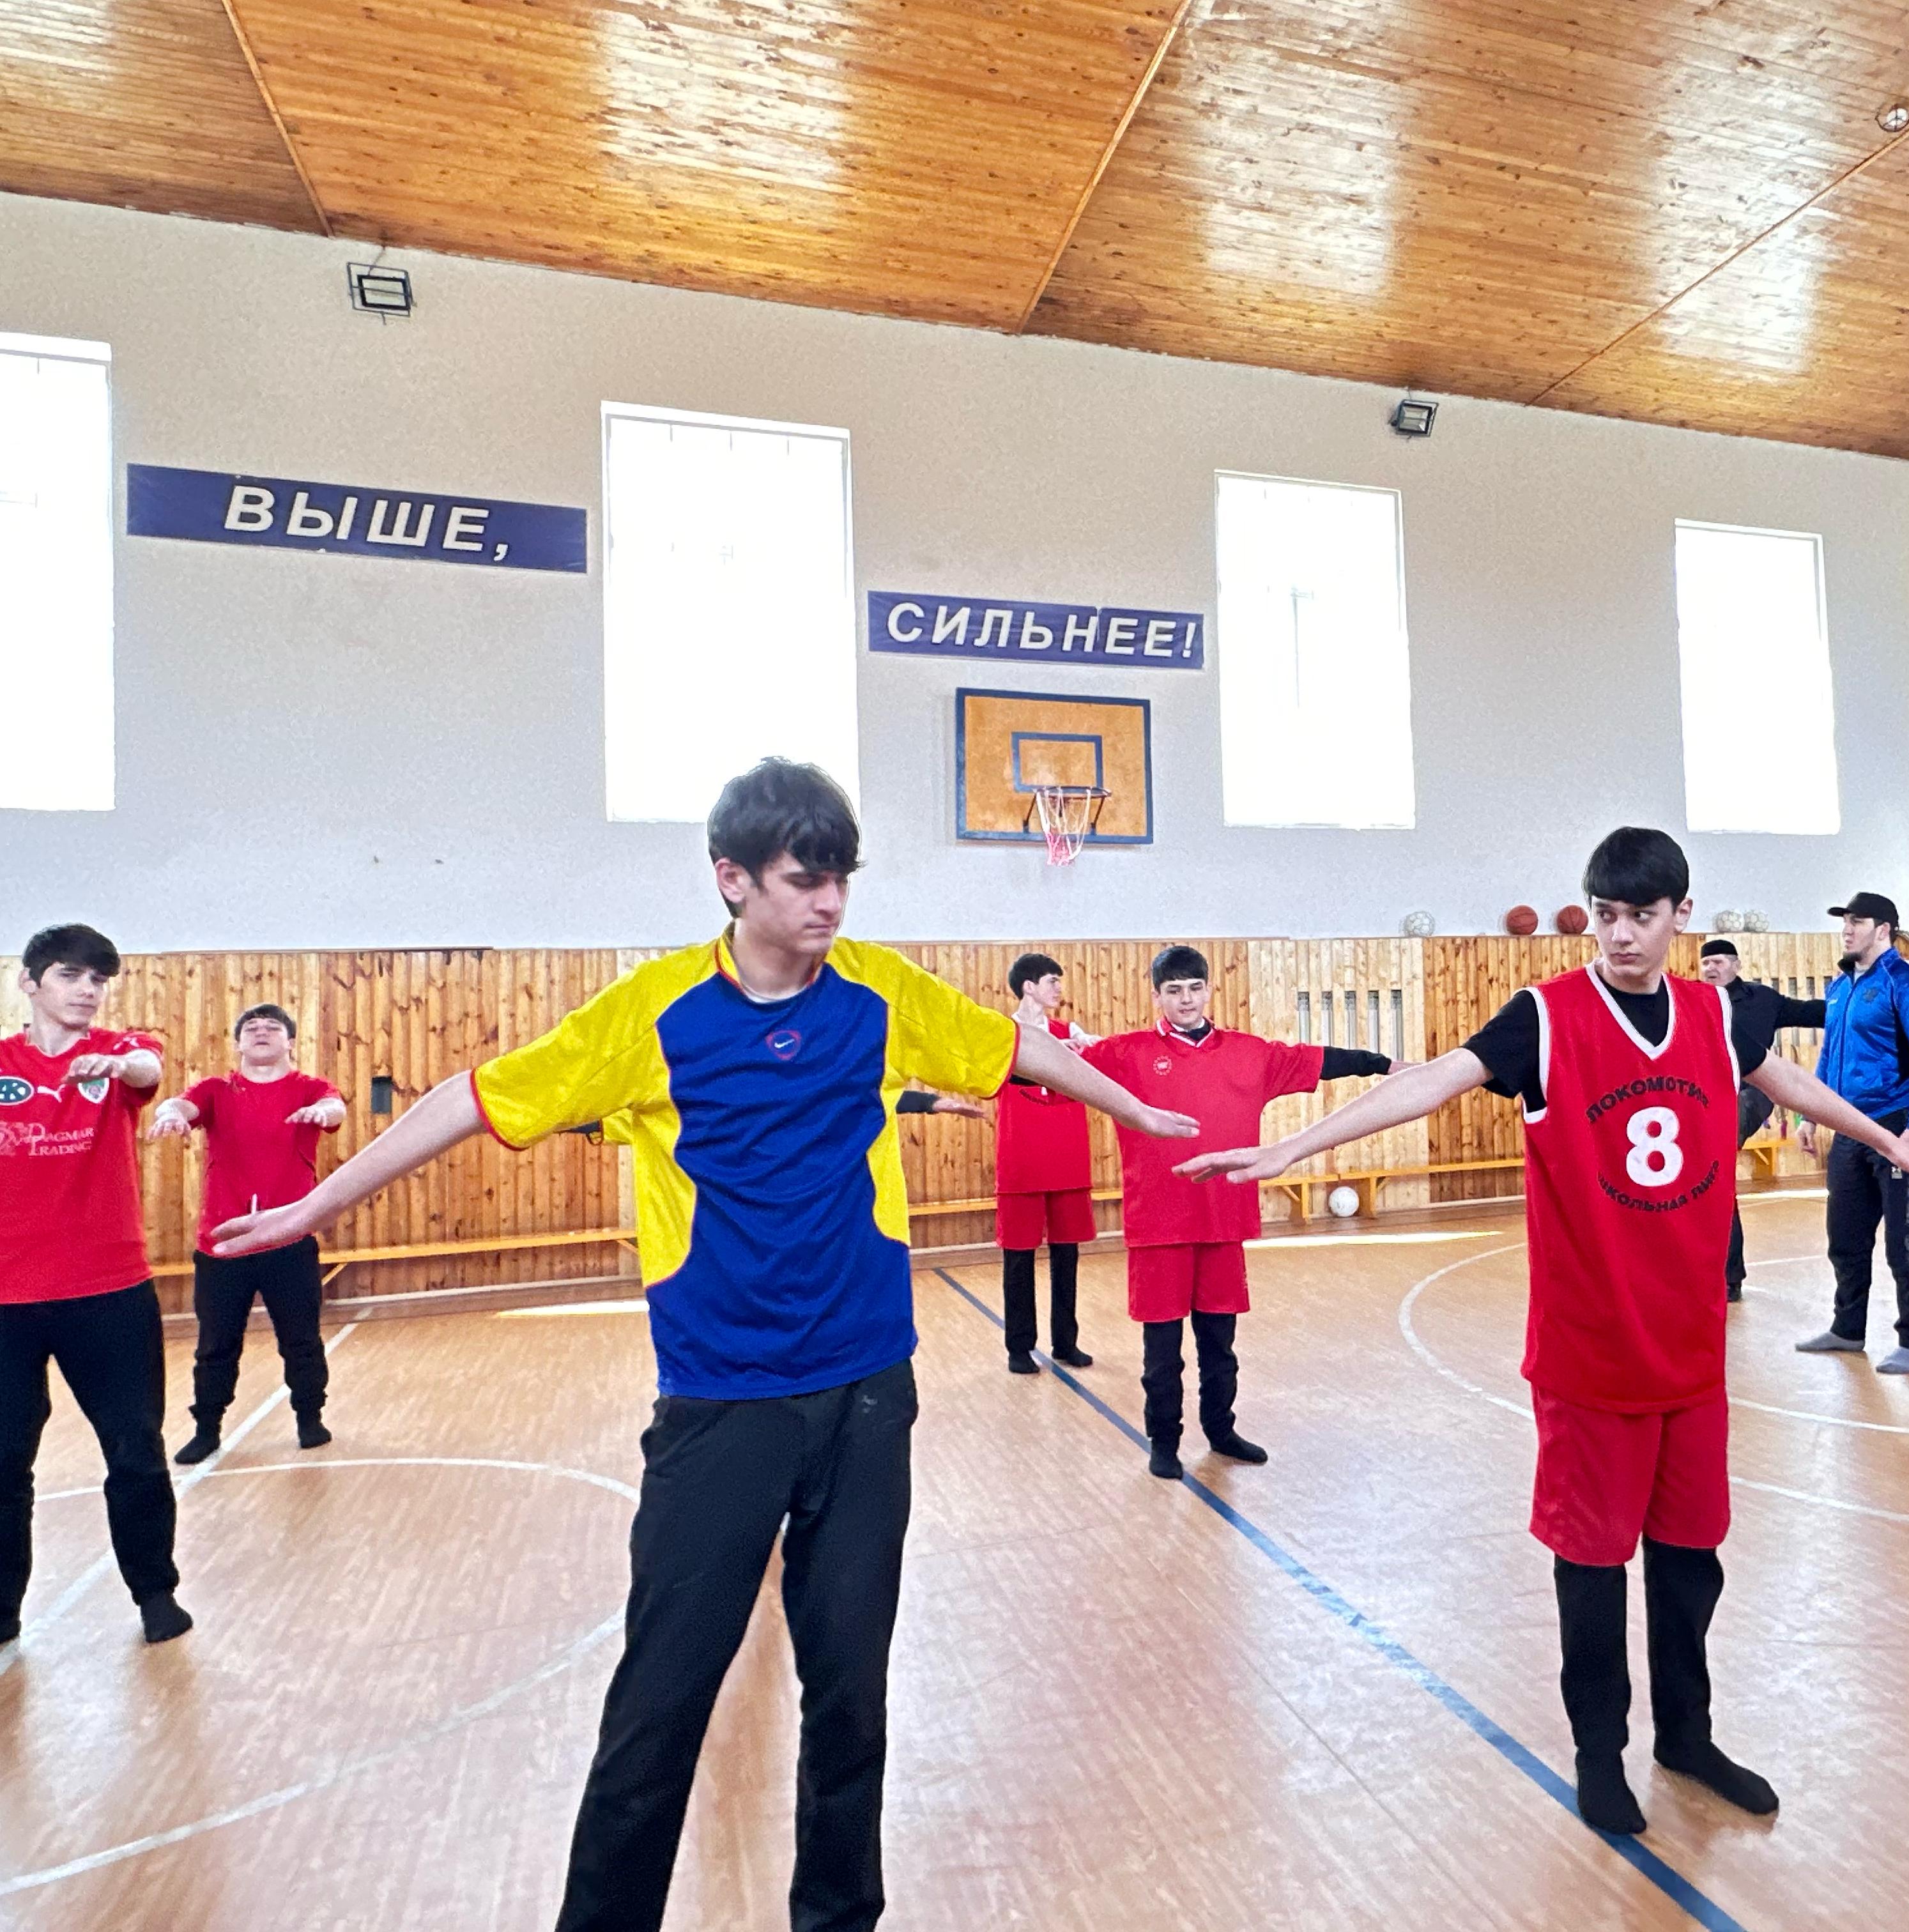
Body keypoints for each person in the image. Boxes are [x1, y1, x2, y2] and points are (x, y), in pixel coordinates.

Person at [211, 759, 1195, 1932]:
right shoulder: (655, 1011)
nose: (830, 902)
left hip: (869, 1390)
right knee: (659, 1710)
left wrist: (1133, 1109)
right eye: (803, 880)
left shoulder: (879, 989)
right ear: (732, 879)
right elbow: (474, 1097)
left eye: (841, 879)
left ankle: (839, 1914)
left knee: (852, 1699)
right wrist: (317, 1205)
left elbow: (1010, 1048)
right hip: (722, 1405)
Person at [1179, 830, 1909, 1836]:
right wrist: (1294, 1145)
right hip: (1590, 1355)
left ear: (1680, 915)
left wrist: (1890, 1139)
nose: (1620, 937)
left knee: (1690, 1563)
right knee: (1592, 1569)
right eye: (1606, 916)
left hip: (1690, 1354)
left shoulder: (1718, 1014)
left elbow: (1787, 1082)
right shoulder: (1545, 1017)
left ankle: (1688, 1736)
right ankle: (1599, 1753)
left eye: (1641, 917)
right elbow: (1434, 1078)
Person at [1082, 946, 1398, 1481]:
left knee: (1219, 1345)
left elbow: (1320, 1061)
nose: (1186, 999)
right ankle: (1164, 1442)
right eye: (1174, 991)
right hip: (1158, 1225)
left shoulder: (1250, 1054)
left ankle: (1221, 1430)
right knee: (1162, 1353)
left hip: (1224, 1222)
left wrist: (1385, 1065)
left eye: (1195, 988)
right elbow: (1055, 1070)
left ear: (1209, 990)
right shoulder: (1125, 1054)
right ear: (1157, 996)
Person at [0, 924, 192, 1647]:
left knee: (135, 1450)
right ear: (30, 982)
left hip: (107, 1292)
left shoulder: (120, 1050)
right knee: (4, 1463)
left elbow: (145, 1068)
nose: (88, 990)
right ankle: (2, 1609)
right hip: (7, 1301)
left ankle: (155, 1593)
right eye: (71, 975)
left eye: (99, 980)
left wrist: (115, 1067)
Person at [147, 1003, 346, 1462]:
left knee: (301, 1341)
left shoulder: (310, 1089)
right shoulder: (217, 1090)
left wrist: (322, 1111)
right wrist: (171, 1113)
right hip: (223, 1244)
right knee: (215, 1346)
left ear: (290, 1042)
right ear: (238, 1043)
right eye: (251, 1028)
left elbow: (334, 1106)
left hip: (289, 1243)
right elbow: (181, 1104)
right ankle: (207, 1428)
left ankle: (310, 1418)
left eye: (272, 1027)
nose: (261, 1032)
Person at [1795, 892, 1909, 1375]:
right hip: (1851, 1127)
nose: (1847, 929)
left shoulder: (1907, 985)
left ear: (1883, 930)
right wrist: (1811, 1114)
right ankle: (1847, 1329)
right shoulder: (1841, 987)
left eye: (1857, 921)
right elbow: (1830, 1054)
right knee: (1844, 1237)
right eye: (1844, 921)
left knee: (1906, 1243)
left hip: (1897, 1124)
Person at [1698, 939, 1825, 1301]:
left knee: (1716, 1157)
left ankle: (1728, 1279)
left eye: (1718, 962)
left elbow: (1812, 1012)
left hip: (1750, 1093)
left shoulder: (1763, 1000)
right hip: (1703, 1096)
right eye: (1706, 963)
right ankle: (1713, 1273)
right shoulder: (1692, 1001)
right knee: (1710, 1179)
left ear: (1736, 965)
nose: (1711, 968)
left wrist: (1859, 1003)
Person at [993, 952, 1100, 1376]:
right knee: (1018, 1259)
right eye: (1052, 981)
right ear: (1029, 987)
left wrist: (1081, 1047)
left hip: (1068, 1159)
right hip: (1021, 1161)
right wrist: (1056, 1054)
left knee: (1067, 1256)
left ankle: (1065, 1342)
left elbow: (1098, 1056)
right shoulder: (1003, 1034)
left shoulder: (1070, 1032)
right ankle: (1019, 1347)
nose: (1059, 988)